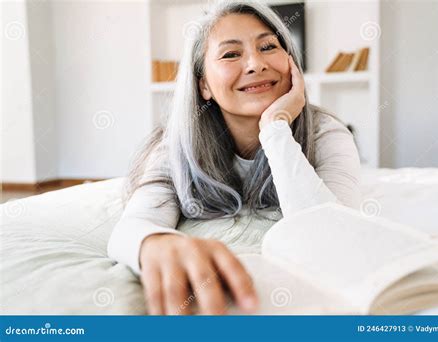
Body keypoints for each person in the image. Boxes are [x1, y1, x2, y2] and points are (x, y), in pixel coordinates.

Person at [107, 0, 361, 316]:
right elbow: (131, 227)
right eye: (230, 54)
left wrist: (275, 127)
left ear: (291, 62)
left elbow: (329, 233)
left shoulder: (327, 131)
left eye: (268, 47)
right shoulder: (177, 146)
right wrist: (154, 242)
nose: (255, 64)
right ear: (204, 86)